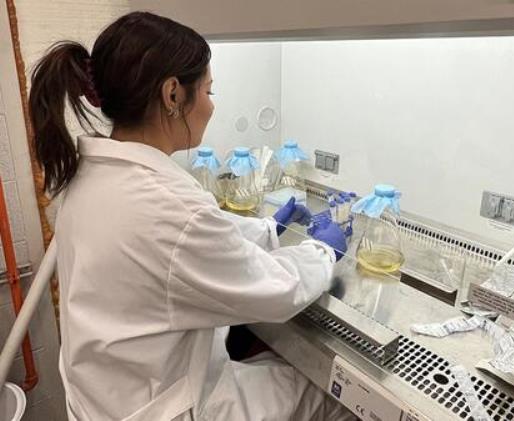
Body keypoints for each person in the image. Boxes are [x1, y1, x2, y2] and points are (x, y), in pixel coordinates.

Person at [28, 11, 352, 421]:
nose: (212, 106)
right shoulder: (167, 206)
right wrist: (323, 251)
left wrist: (269, 228)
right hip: (168, 407)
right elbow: (277, 291)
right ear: (173, 95)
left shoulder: (92, 175)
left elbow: (183, 245)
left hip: (111, 398)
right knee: (332, 395)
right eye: (209, 91)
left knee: (269, 372)